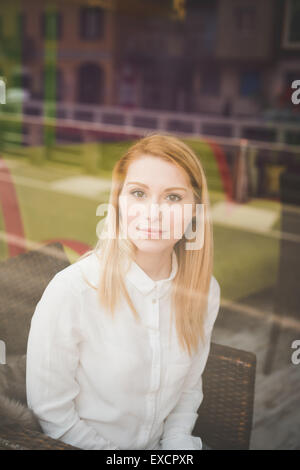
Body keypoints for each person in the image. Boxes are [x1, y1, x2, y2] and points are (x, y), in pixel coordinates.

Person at [26, 133, 221, 450]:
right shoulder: (72, 291)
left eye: (173, 197)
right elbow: (53, 414)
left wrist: (177, 444)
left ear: (195, 211)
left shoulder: (205, 291)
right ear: (118, 201)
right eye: (139, 193)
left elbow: (187, 392)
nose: (153, 213)